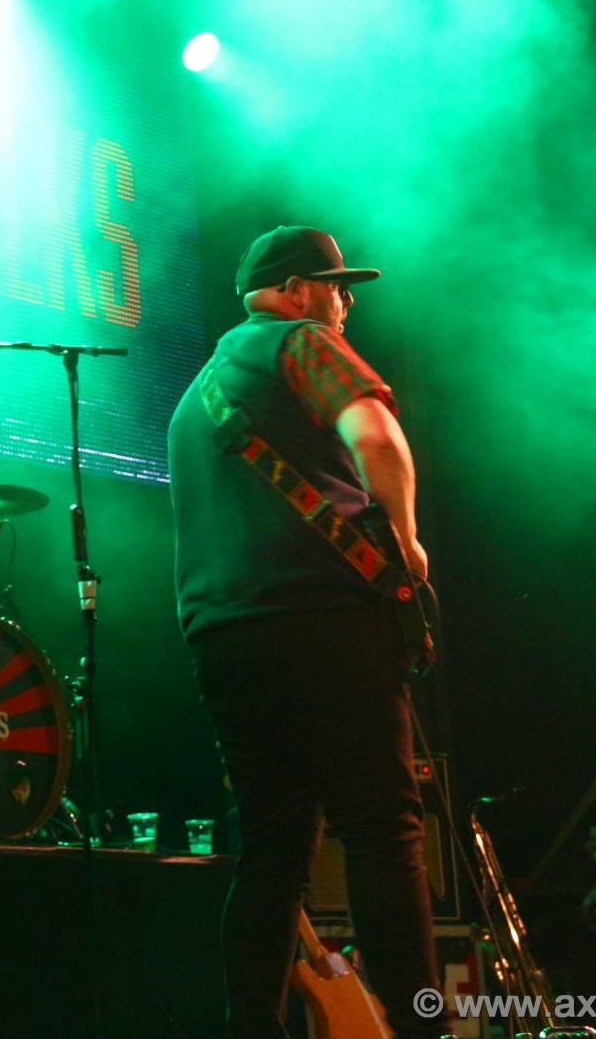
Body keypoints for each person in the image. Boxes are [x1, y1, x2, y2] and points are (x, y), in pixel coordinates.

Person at [168, 225, 441, 1038]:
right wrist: (408, 540)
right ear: (293, 290)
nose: (346, 300)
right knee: (383, 829)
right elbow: (375, 435)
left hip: (224, 639)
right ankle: (422, 1026)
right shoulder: (300, 342)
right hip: (322, 621)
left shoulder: (193, 399)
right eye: (335, 284)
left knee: (273, 853)